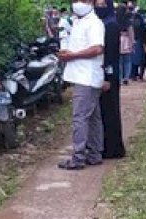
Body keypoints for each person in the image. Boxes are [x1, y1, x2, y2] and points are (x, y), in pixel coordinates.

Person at [57, 0, 106, 170]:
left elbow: (97, 49)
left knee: (80, 117)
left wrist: (73, 55)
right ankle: (94, 154)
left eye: (83, 0)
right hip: (83, 75)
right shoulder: (77, 21)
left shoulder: (94, 23)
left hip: (87, 76)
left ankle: (78, 157)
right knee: (92, 117)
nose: (78, 3)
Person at [97, 0, 127, 160]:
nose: (99, 7)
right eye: (97, 4)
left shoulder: (111, 25)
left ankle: (112, 148)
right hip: (103, 73)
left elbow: (111, 55)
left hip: (109, 75)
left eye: (102, 4)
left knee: (110, 110)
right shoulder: (103, 23)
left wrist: (107, 77)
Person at [117, 6, 135, 85]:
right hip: (126, 41)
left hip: (118, 41)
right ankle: (126, 77)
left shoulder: (115, 20)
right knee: (127, 61)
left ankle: (120, 78)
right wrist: (132, 43)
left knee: (119, 62)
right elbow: (131, 33)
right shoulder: (127, 21)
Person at [131, 5, 146, 80]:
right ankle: (140, 75)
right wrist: (145, 45)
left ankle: (134, 75)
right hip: (141, 42)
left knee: (134, 59)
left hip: (135, 41)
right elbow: (144, 34)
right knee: (142, 59)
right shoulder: (142, 23)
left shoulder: (133, 22)